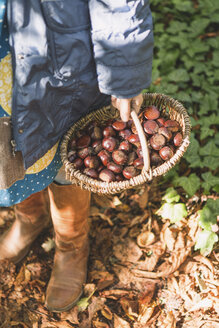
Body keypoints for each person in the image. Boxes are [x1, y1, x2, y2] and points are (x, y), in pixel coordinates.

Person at [0, 0, 153, 312]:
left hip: (61, 58)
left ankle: (71, 245)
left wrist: (124, 74)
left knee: (66, 152)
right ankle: (31, 217)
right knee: (10, 151)